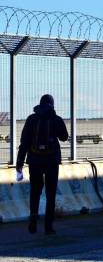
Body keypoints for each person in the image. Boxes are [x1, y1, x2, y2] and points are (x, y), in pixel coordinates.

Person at [16, 94, 69, 234]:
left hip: (34, 160)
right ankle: (48, 226)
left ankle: (33, 220)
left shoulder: (31, 119)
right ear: (52, 104)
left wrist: (19, 162)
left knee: (35, 191)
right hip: (52, 161)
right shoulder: (56, 119)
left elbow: (24, 142)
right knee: (50, 193)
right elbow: (64, 137)